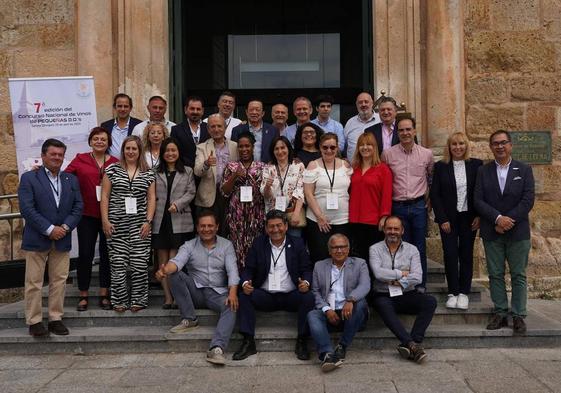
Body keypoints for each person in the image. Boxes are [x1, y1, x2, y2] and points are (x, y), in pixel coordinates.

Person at [156, 210, 239, 365]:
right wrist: (164, 270)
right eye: (202, 226)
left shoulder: (226, 245)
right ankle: (189, 318)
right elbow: (177, 262)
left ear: (217, 227)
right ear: (197, 228)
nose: (206, 229)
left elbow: (232, 270)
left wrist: (233, 292)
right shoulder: (189, 245)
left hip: (217, 294)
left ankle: (216, 348)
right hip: (196, 292)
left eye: (210, 226)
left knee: (231, 305)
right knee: (175, 274)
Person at [18, 139, 83, 336]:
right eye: (53, 154)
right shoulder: (29, 178)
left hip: (62, 237)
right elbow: (27, 209)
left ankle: (56, 318)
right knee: (34, 282)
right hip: (38, 237)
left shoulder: (70, 179)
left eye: (60, 155)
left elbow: (78, 207)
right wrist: (48, 229)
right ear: (44, 155)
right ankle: (35, 321)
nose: (57, 158)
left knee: (59, 280)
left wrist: (64, 227)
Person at [474, 130, 535, 334]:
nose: (499, 147)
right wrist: (498, 219)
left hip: (518, 232)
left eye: (503, 143)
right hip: (492, 230)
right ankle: (500, 312)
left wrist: (509, 220)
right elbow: (478, 200)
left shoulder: (524, 169)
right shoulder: (483, 171)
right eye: (495, 143)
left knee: (518, 274)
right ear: (490, 147)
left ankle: (518, 315)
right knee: (495, 274)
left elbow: (528, 199)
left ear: (510, 145)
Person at [233, 210, 315, 361]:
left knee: (308, 297)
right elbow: (248, 269)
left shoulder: (297, 243)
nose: (275, 230)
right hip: (266, 295)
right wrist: (245, 283)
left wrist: (306, 282)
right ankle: (248, 341)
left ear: (286, 226)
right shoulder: (259, 243)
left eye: (279, 226)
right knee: (244, 296)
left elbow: (307, 268)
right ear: (266, 228)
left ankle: (302, 340)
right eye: (271, 226)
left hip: (290, 295)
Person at [370, 216, 437, 364]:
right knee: (382, 304)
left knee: (430, 301)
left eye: (396, 229)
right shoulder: (374, 249)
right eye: (389, 228)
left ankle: (412, 341)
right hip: (383, 293)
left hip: (406, 293)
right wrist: (401, 274)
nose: (392, 232)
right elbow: (378, 273)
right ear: (384, 230)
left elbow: (418, 277)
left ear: (402, 231)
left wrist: (397, 282)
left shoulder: (412, 250)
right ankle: (412, 345)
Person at [65, 127, 119, 311]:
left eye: (103, 139)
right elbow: (64, 178)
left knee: (106, 254)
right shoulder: (80, 159)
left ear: (108, 143)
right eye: (96, 138)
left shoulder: (116, 162)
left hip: (109, 216)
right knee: (86, 254)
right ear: (90, 141)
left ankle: (105, 293)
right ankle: (83, 294)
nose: (99, 142)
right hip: (86, 214)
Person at [100, 135, 156, 312]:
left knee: (140, 264)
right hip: (116, 224)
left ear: (139, 151)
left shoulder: (148, 172)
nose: (130, 152)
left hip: (141, 225)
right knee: (118, 264)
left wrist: (148, 221)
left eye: (134, 149)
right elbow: (105, 197)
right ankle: (119, 301)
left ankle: (139, 299)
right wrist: (105, 221)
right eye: (127, 148)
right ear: (123, 150)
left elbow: (152, 197)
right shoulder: (112, 170)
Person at [430, 132, 483, 310]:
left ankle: (464, 293)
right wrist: (442, 218)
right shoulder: (441, 166)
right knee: (450, 254)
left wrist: (479, 216)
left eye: (461, 144)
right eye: (454, 144)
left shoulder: (476, 165)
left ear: (466, 145)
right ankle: (452, 292)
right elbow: (435, 195)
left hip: (469, 218)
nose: (458, 147)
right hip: (449, 219)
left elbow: (481, 192)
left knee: (466, 254)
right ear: (449, 146)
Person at [382, 116, 434, 290]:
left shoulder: (427, 154)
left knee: (419, 248)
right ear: (397, 133)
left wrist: (428, 203)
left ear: (414, 131)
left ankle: (420, 285)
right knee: (399, 247)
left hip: (419, 206)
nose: (405, 133)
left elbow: (431, 179)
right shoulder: (388, 154)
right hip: (397, 207)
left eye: (408, 129)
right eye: (401, 130)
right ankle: (401, 285)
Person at [307, 234, 370, 372]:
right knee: (312, 315)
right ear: (329, 251)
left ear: (348, 249)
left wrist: (351, 299)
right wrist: (326, 309)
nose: (339, 250)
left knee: (361, 304)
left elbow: (365, 285)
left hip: (352, 314)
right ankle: (328, 354)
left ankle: (342, 345)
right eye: (335, 247)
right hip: (331, 313)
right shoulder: (319, 266)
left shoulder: (360, 263)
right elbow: (315, 291)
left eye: (342, 247)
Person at [152, 137, 196, 309]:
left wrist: (178, 204)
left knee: (175, 260)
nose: (170, 154)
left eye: (173, 150)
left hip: (179, 219)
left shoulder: (187, 171)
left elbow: (191, 192)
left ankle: (178, 296)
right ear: (162, 153)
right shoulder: (154, 172)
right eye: (167, 151)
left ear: (178, 153)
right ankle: (168, 297)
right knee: (162, 261)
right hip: (160, 221)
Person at [304, 133, 352, 263]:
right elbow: (308, 193)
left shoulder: (346, 166)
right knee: (320, 256)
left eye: (332, 147)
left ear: (337, 148)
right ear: (320, 147)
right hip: (318, 221)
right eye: (325, 147)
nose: (329, 151)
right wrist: (320, 217)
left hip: (342, 220)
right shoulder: (313, 165)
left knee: (341, 257)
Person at [221, 131, 266, 271]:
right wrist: (234, 176)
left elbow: (265, 192)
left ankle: (253, 279)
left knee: (256, 246)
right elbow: (224, 192)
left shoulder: (261, 167)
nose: (244, 149)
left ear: (253, 147)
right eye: (241, 146)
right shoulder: (231, 166)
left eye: (247, 146)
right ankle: (238, 282)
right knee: (237, 247)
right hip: (237, 215)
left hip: (256, 214)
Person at [349, 132, 393, 262]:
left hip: (373, 220)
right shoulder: (353, 168)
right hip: (354, 219)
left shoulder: (383, 169)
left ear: (375, 147)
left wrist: (384, 216)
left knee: (373, 257)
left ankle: (372, 283)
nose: (365, 147)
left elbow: (387, 194)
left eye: (369, 144)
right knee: (357, 256)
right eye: (361, 145)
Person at [193, 114, 238, 235]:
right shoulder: (202, 147)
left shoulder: (235, 146)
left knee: (228, 231)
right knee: (208, 232)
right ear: (208, 129)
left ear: (225, 127)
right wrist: (206, 163)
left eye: (219, 126)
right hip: (209, 198)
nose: (216, 129)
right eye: (212, 126)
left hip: (230, 195)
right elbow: (197, 171)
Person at [260, 136, 306, 236]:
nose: (280, 151)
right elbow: (266, 196)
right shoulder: (268, 168)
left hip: (292, 213)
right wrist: (267, 186)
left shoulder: (298, 166)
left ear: (288, 149)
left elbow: (300, 191)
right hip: (273, 216)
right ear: (273, 151)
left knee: (294, 245)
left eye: (283, 147)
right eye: (276, 149)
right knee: (274, 246)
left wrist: (296, 213)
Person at [170, 96, 209, 168]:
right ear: (185, 110)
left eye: (198, 109)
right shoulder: (176, 130)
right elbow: (175, 153)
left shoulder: (209, 128)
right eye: (192, 109)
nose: (195, 112)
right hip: (184, 172)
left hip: (206, 172)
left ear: (202, 111)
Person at [101, 93, 142, 158]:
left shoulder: (139, 125)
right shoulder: (105, 126)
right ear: (115, 107)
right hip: (110, 165)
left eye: (126, 106)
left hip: (131, 164)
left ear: (130, 108)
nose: (122, 109)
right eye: (119, 106)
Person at [343, 92, 380, 160]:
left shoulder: (380, 120)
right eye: (360, 102)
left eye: (366, 102)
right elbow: (345, 146)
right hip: (353, 168)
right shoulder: (350, 122)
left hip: (375, 167)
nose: (363, 104)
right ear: (356, 105)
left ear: (372, 103)